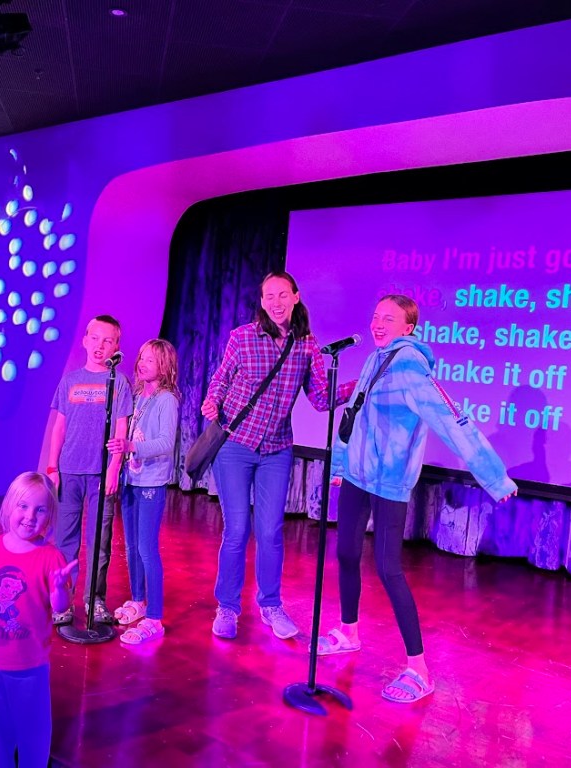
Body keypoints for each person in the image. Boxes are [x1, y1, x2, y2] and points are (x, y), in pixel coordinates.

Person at [325, 294, 517, 704]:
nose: (377, 324)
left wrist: (495, 477)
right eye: (375, 316)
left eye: (388, 319)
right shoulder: (375, 359)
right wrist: (341, 465)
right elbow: (352, 417)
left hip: (389, 483)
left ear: (408, 328)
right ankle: (348, 631)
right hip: (358, 476)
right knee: (345, 553)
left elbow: (452, 421)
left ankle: (419, 669)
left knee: (387, 568)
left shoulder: (411, 366)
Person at [201, 271, 344, 640]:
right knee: (237, 529)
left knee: (270, 531)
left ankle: (270, 605)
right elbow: (220, 379)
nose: (276, 303)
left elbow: (320, 399)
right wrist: (212, 401)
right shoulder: (243, 337)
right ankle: (227, 607)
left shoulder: (306, 345)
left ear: (295, 296)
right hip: (235, 445)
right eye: (269, 296)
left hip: (277, 450)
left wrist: (356, 388)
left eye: (282, 295)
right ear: (262, 301)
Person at [0, 471, 75, 768]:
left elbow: (60, 607)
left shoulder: (51, 558)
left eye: (40, 510)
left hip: (31, 667)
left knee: (33, 736)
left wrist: (59, 588)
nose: (30, 516)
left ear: (50, 516)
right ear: (9, 507)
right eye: (23, 506)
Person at [47, 315, 134, 625]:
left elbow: (121, 429)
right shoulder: (69, 381)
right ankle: (62, 601)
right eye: (95, 338)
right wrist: (52, 467)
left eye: (108, 341)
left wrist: (113, 469)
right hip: (69, 472)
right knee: (65, 540)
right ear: (84, 341)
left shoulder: (118, 382)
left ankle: (94, 600)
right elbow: (59, 428)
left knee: (100, 541)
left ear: (116, 346)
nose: (100, 346)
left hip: (100, 474)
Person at [107, 339, 180, 645]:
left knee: (147, 549)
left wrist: (131, 446)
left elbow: (165, 442)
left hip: (151, 483)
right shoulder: (138, 396)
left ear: (165, 366)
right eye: (141, 358)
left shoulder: (166, 400)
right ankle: (138, 600)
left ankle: (155, 618)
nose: (142, 364)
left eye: (151, 360)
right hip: (132, 480)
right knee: (132, 546)